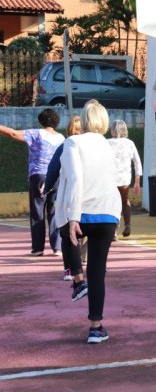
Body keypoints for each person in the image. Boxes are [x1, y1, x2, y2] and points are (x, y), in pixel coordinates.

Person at [55, 100, 121, 344]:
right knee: (97, 271)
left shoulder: (73, 142)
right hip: (108, 212)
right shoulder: (109, 145)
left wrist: (73, 216)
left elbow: (75, 179)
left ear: (82, 120)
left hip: (82, 211)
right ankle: (95, 327)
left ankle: (77, 280)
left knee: (65, 232)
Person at [0, 108, 64, 255]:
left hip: (39, 175)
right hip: (57, 176)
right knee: (54, 211)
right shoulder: (61, 138)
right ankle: (57, 247)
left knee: (37, 211)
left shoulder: (36, 134)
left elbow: (13, 133)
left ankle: (38, 248)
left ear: (42, 121)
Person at [44, 115, 84, 280]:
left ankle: (69, 268)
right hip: (89, 195)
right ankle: (91, 263)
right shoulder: (91, 145)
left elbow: (53, 169)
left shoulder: (66, 145)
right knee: (86, 231)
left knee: (67, 232)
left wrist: (47, 187)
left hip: (69, 194)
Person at [108, 120, 142, 238]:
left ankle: (114, 230)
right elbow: (137, 162)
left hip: (111, 179)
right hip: (125, 179)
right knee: (124, 200)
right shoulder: (130, 143)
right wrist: (137, 180)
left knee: (112, 203)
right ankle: (127, 224)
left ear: (113, 130)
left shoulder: (107, 142)